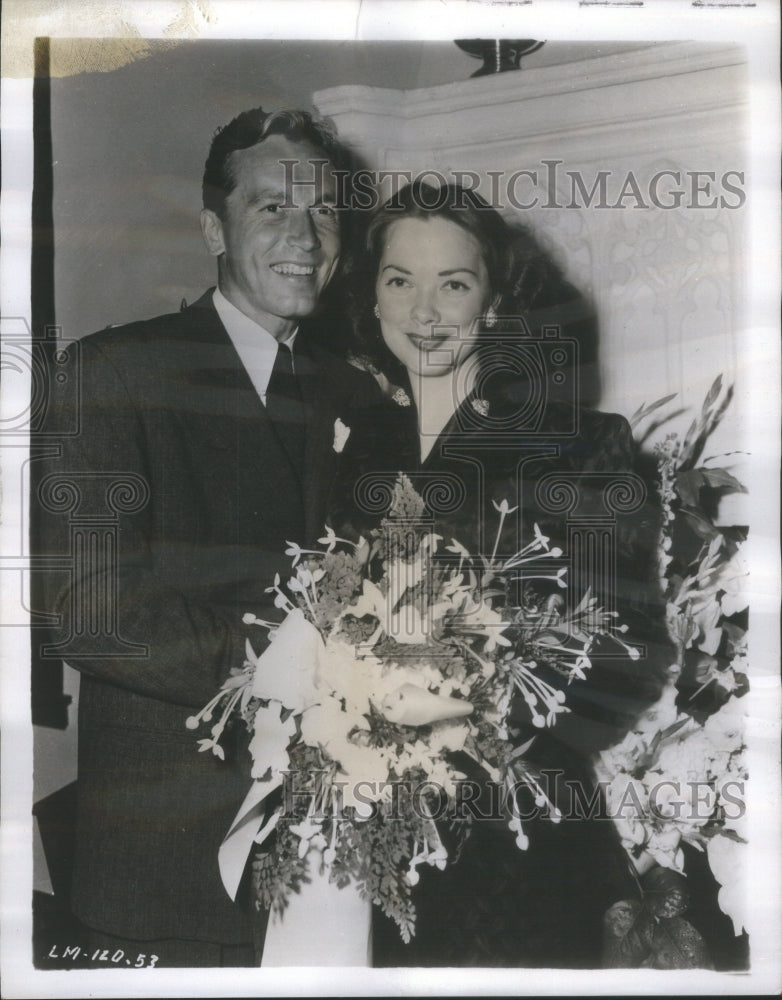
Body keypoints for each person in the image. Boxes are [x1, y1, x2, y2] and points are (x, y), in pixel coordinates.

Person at [33, 107, 379, 967]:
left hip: (331, 854)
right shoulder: (113, 372)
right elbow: (85, 609)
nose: (304, 236)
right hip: (166, 867)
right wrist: (291, 662)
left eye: (324, 211)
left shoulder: (360, 393)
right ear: (212, 228)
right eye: (272, 208)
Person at [330, 180, 670, 967]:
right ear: (372, 300)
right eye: (399, 280)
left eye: (454, 282)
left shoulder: (577, 445)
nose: (425, 311)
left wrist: (475, 715)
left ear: (492, 304)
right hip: (366, 837)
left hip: (517, 839)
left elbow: (629, 653)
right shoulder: (359, 449)